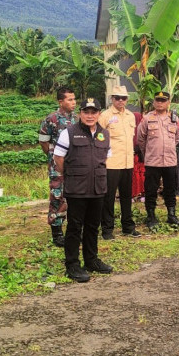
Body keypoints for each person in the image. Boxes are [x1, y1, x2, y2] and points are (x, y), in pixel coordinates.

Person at [53, 98, 112, 282]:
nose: (90, 115)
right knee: (74, 227)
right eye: (86, 112)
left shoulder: (105, 134)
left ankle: (91, 260)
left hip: (98, 188)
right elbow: (58, 158)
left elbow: (104, 159)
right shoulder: (69, 133)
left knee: (93, 226)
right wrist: (73, 174)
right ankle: (72, 264)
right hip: (76, 189)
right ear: (80, 113)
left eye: (93, 112)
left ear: (99, 114)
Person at [137, 91, 179, 229]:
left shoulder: (174, 119)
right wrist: (150, 152)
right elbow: (141, 139)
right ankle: (151, 216)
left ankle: (171, 215)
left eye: (163, 100)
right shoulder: (147, 118)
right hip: (153, 161)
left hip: (170, 160)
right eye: (157, 100)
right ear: (153, 102)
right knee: (151, 189)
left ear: (168, 103)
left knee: (170, 189)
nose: (160, 103)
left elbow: (177, 138)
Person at [97, 86, 140, 239]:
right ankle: (107, 230)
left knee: (127, 196)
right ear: (112, 99)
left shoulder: (130, 116)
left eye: (123, 98)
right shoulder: (105, 116)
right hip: (111, 163)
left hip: (127, 163)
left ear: (127, 100)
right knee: (108, 198)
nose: (120, 101)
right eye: (117, 98)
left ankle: (128, 227)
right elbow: (98, 138)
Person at [38, 86, 78, 247]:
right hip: (58, 166)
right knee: (57, 196)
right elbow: (43, 141)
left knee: (74, 196)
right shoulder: (51, 119)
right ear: (60, 101)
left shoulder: (77, 119)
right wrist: (54, 157)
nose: (73, 102)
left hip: (75, 164)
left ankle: (73, 230)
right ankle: (57, 233)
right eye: (70, 99)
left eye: (74, 99)